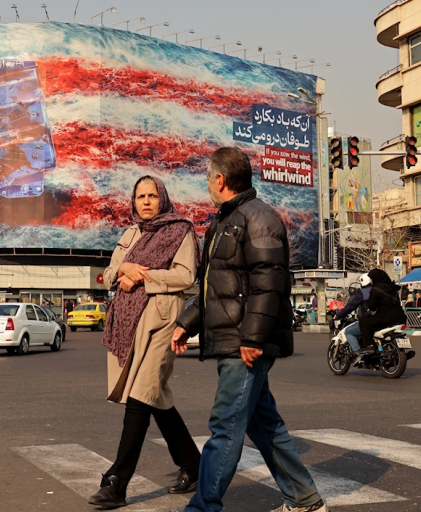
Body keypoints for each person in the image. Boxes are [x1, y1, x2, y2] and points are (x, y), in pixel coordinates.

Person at [171, 147, 327, 512]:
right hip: (234, 338)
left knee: (224, 427)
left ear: (220, 180)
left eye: (208, 178)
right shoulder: (225, 221)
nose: (207, 184)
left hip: (243, 343)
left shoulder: (260, 218)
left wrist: (252, 339)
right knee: (262, 423)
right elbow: (214, 287)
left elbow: (268, 284)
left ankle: (202, 507)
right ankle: (305, 500)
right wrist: (186, 323)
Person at [89, 175, 203, 509]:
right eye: (141, 196)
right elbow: (109, 273)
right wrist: (125, 270)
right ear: (134, 201)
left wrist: (144, 275)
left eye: (152, 195)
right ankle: (194, 465)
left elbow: (185, 276)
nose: (147, 201)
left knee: (141, 397)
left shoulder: (179, 230)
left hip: (162, 321)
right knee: (156, 398)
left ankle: (117, 482)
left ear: (163, 198)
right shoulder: (131, 233)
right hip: (129, 321)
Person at [359, 269, 407, 352]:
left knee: (363, 322)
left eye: (371, 278)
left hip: (386, 318)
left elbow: (371, 305)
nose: (370, 281)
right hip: (400, 317)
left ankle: (369, 346)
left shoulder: (376, 289)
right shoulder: (393, 287)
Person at [333, 274, 373, 356]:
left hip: (370, 321)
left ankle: (358, 353)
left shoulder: (363, 293)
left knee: (348, 332)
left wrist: (339, 315)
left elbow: (350, 306)